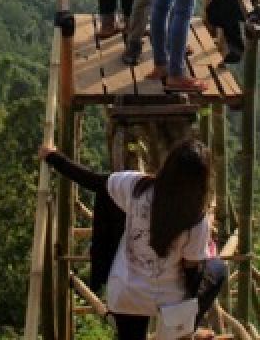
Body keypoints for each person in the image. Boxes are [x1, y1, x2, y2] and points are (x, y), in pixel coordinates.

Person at [38, 139, 226, 340]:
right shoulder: (197, 221)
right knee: (218, 269)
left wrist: (52, 157)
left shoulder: (137, 187)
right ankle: (181, 332)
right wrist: (190, 313)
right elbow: (192, 273)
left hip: (126, 293)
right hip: (169, 303)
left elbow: (92, 180)